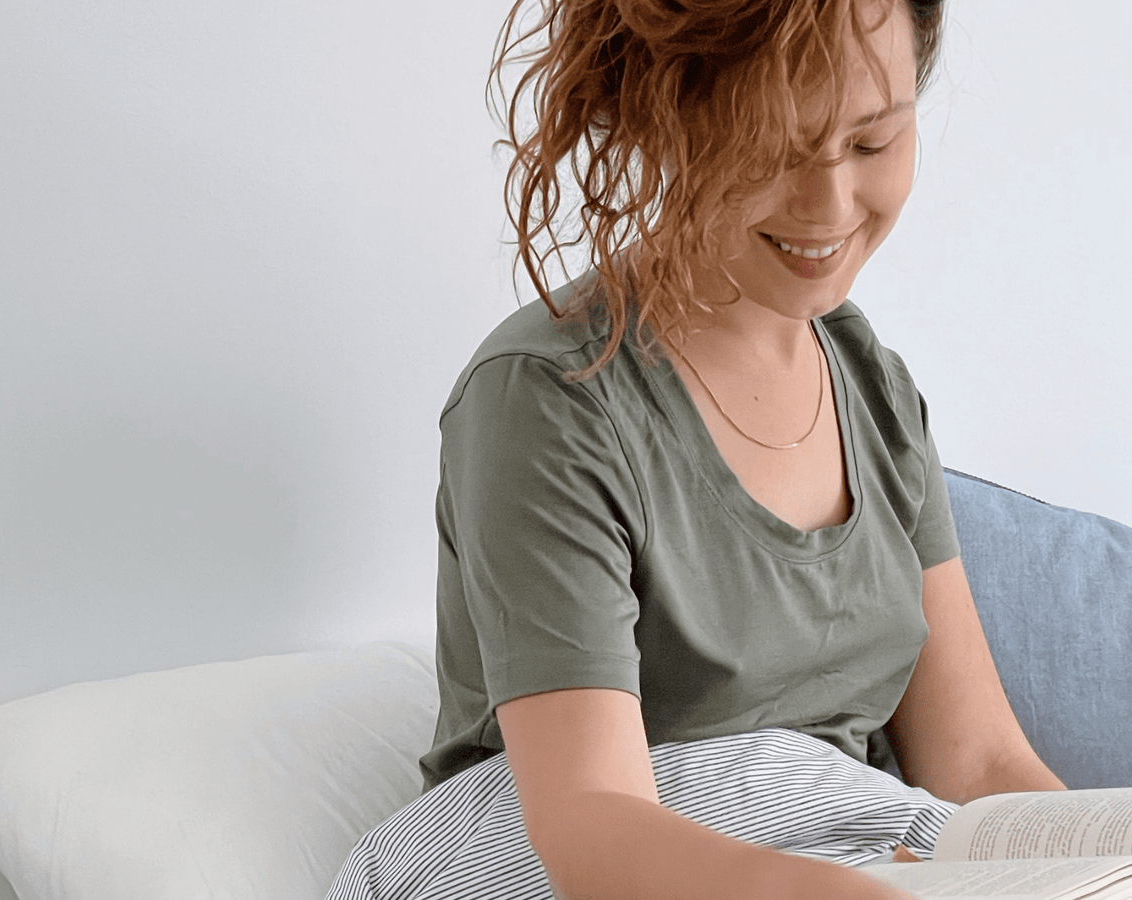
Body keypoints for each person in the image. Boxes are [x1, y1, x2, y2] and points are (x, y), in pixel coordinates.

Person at [328, 0, 1066, 898]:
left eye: (872, 144)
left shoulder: (873, 387)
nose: (829, 203)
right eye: (773, 149)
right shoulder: (548, 396)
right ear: (663, 115)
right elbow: (591, 824)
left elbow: (981, 764)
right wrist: (827, 890)